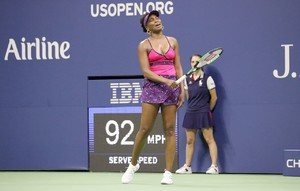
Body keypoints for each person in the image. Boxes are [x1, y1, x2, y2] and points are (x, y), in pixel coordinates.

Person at [121, 10, 185, 185]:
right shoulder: (144, 45)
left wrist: (182, 88)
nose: (156, 20)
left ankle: (167, 173)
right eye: (152, 20)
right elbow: (146, 71)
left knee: (170, 130)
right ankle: (132, 165)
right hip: (153, 88)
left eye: (157, 18)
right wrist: (166, 81)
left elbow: (178, 66)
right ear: (146, 27)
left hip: (172, 88)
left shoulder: (173, 41)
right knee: (144, 129)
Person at [175, 54, 219, 174]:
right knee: (189, 141)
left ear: (202, 63)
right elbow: (189, 96)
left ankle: (214, 166)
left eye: (197, 61)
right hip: (191, 112)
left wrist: (207, 110)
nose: (194, 63)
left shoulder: (208, 79)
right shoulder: (187, 80)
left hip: (204, 111)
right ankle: (187, 167)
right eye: (192, 61)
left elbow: (214, 98)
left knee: (209, 139)